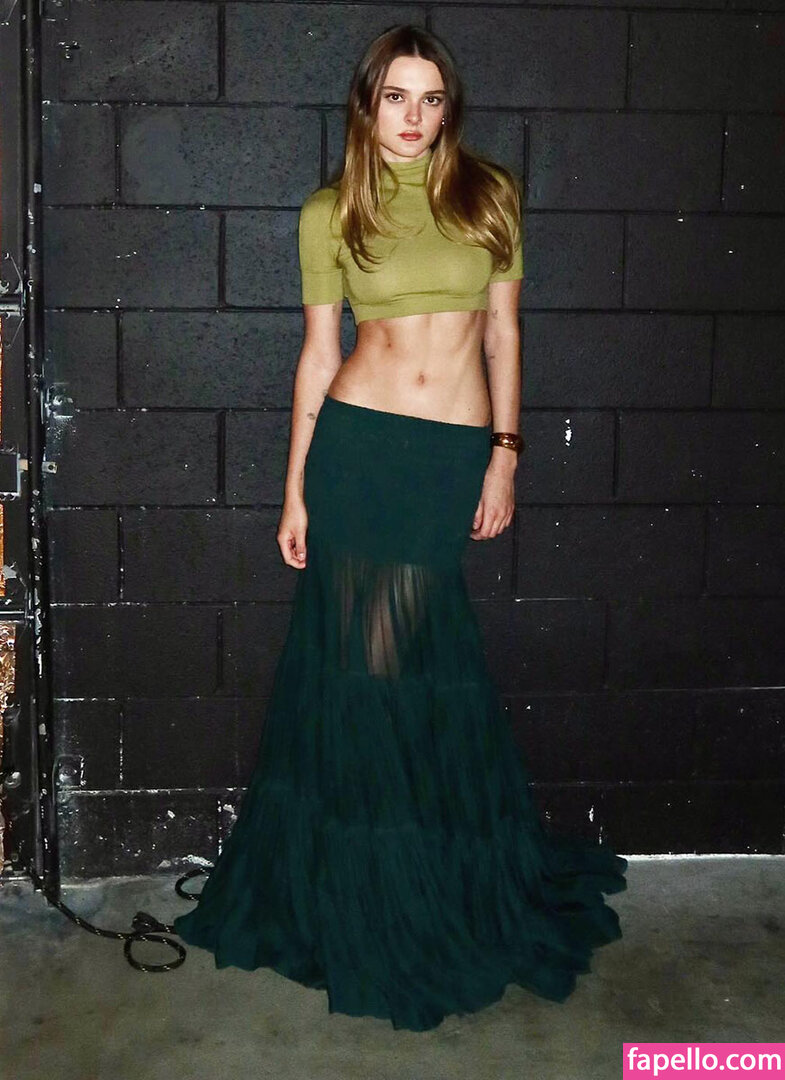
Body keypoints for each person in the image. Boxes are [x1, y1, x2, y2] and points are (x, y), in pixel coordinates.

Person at [173, 23, 628, 1032]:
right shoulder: (330, 211)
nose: (413, 117)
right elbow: (316, 354)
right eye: (395, 98)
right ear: (366, 105)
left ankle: (412, 876)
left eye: (430, 99)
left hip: (443, 459)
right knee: (363, 673)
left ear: (447, 108)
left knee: (394, 667)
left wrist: (504, 453)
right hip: (357, 450)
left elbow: (503, 331)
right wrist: (294, 490)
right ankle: (367, 890)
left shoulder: (491, 195)